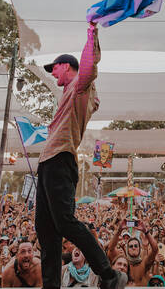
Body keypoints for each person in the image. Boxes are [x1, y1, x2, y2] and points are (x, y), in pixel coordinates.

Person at [35, 22, 125, 289]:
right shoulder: (70, 94)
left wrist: (91, 34)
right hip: (48, 163)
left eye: (55, 68)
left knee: (64, 222)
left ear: (67, 67)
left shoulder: (79, 87)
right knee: (45, 230)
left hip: (60, 160)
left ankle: (108, 274)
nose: (53, 74)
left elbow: (89, 68)